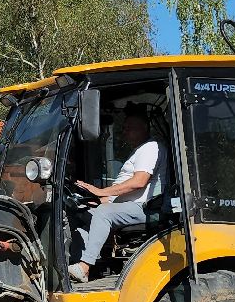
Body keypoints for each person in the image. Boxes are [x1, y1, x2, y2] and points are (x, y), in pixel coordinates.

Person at [68, 111, 164, 283]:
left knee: (104, 213)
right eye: (124, 128)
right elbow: (125, 193)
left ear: (144, 128)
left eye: (130, 128)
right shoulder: (139, 150)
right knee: (81, 213)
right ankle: (77, 266)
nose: (125, 132)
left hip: (146, 207)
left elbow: (139, 182)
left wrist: (101, 192)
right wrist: (94, 200)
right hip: (131, 205)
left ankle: (85, 266)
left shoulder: (150, 148)